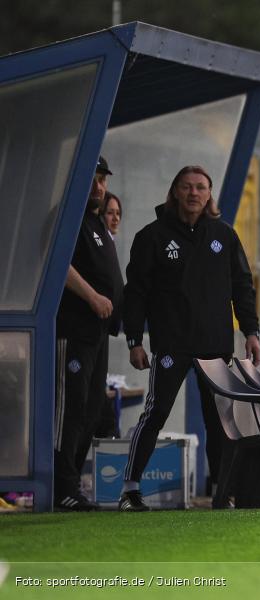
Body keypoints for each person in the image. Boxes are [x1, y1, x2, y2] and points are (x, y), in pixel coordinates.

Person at [119, 165, 260, 512]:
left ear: (209, 194)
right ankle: (129, 489)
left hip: (215, 345)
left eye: (200, 187)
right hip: (172, 344)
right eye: (187, 187)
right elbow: (136, 293)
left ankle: (222, 492)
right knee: (156, 412)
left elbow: (243, 286)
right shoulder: (151, 237)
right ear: (175, 192)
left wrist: (251, 331)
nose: (194, 193)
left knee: (220, 421)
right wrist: (135, 340)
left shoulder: (224, 236)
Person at [54, 156, 124, 511]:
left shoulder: (96, 223)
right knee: (71, 407)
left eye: (103, 180)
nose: (99, 187)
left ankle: (71, 482)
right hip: (73, 329)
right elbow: (56, 264)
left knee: (93, 408)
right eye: (93, 179)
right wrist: (93, 296)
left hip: (98, 335)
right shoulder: (68, 216)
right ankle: (60, 484)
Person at [94, 191, 124, 439]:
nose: (115, 218)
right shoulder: (96, 244)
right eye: (110, 212)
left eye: (118, 214)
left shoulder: (110, 244)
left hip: (105, 329)